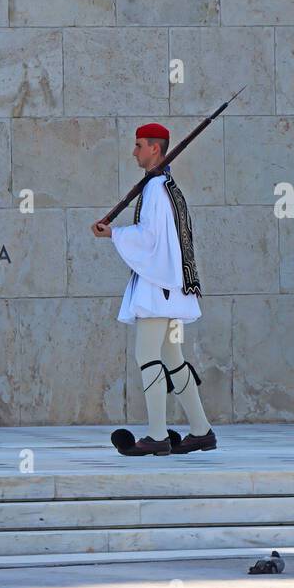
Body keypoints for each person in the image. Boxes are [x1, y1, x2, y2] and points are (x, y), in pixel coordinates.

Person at [91, 123, 215, 456]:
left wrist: (113, 234)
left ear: (155, 150)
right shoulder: (165, 187)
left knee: (147, 356)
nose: (134, 152)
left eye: (139, 145)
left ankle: (158, 435)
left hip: (159, 289)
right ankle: (202, 431)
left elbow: (150, 240)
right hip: (171, 289)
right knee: (173, 357)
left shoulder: (156, 190)